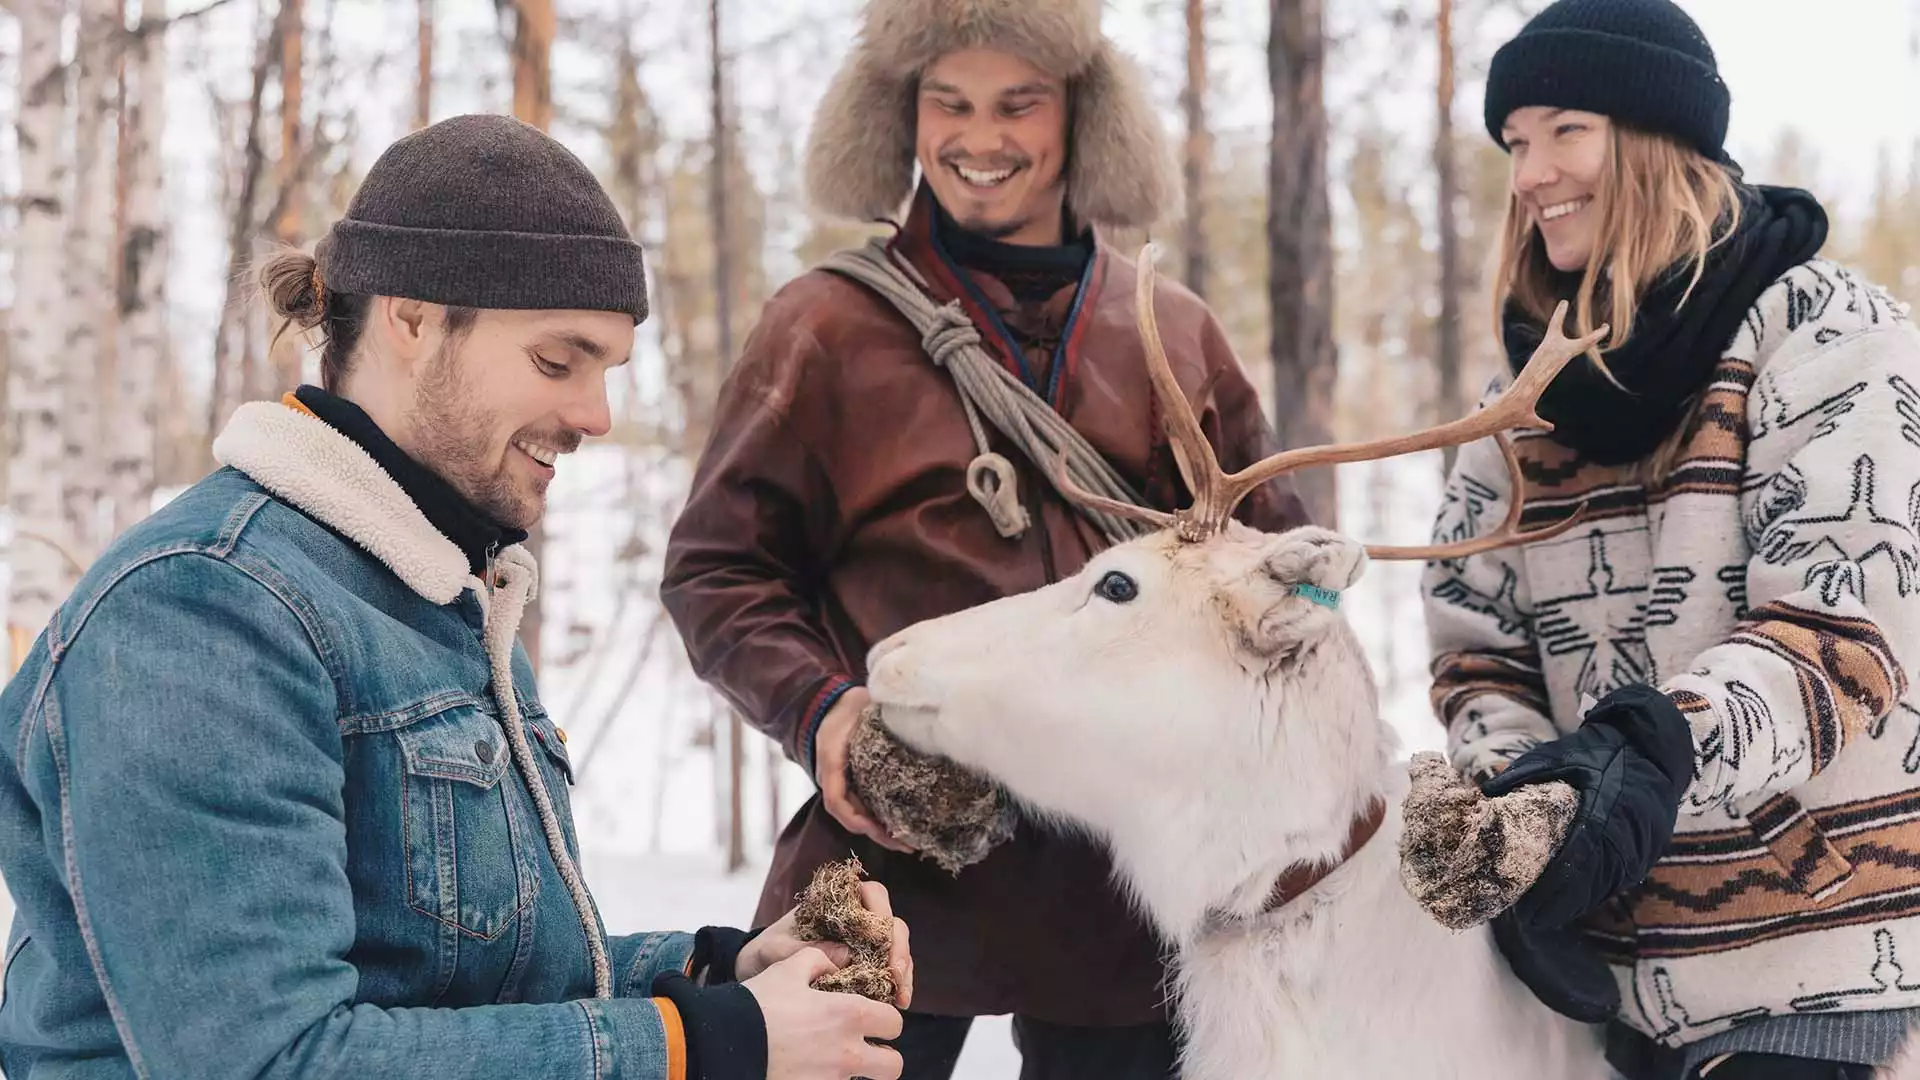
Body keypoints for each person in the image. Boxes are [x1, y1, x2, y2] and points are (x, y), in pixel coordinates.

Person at [0, 113, 911, 1080]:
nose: (594, 416)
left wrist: (716, 972)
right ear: (411, 317)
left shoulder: (443, 594)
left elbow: (465, 976)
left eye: (607, 373)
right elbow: (273, 1061)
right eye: (557, 362)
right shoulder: (202, 613)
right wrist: (701, 1046)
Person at [659, 0, 1311, 1075]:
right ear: (899, 116)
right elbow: (718, 571)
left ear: (1082, 117)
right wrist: (829, 715)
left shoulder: (1176, 332)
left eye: (1020, 103)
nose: (980, 139)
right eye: (948, 104)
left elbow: (1275, 582)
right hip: (891, 864)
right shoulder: (822, 325)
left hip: (1129, 889)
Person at [1422, 1, 1920, 1078]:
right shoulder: (1521, 402)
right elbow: (1477, 651)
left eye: (1565, 131)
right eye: (1514, 143)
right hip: (1603, 987)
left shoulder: (1824, 332)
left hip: (1811, 964)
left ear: (1655, 138)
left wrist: (1647, 751)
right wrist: (1533, 811)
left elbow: (1842, 634)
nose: (1530, 174)